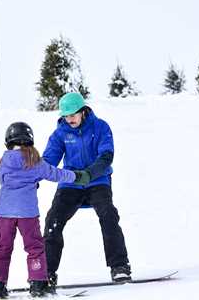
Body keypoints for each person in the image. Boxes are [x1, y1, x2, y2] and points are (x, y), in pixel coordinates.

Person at [0, 121, 90, 299]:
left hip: (4, 213)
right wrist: (77, 177)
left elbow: (5, 182)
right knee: (34, 248)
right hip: (27, 213)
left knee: (2, 248)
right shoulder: (34, 161)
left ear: (8, 142)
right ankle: (37, 282)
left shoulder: (3, 162)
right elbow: (56, 174)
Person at [42, 92, 132, 289]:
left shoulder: (100, 127)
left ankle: (120, 266)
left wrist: (90, 174)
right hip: (70, 183)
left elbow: (106, 156)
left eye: (73, 114)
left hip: (97, 181)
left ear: (83, 111)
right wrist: (33, 177)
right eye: (66, 116)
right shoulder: (60, 134)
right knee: (53, 219)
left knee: (108, 214)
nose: (70, 119)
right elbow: (48, 161)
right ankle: (46, 272)